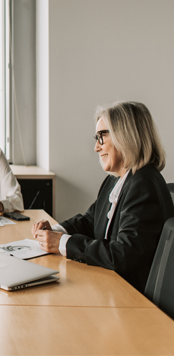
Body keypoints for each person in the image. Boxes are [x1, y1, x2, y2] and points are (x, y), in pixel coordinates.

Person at [32, 101, 174, 292]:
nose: (96, 148)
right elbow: (91, 220)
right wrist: (58, 230)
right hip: (110, 286)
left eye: (101, 137)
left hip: (131, 297)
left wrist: (63, 243)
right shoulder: (116, 180)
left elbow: (123, 254)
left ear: (125, 136)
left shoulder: (144, 184)